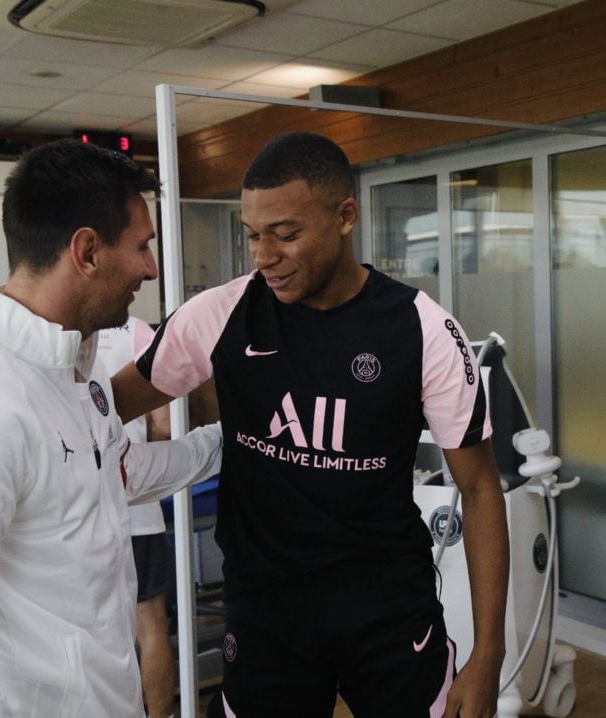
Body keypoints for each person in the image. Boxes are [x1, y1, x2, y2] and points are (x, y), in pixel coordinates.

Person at [112, 132, 510, 718]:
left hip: (388, 610)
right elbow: (104, 405)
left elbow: (479, 488)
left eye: (286, 234)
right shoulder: (219, 315)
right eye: (252, 235)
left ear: (345, 216)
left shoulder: (421, 329)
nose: (263, 256)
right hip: (266, 615)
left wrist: (489, 655)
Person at [0, 139, 222, 718]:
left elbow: (119, 472)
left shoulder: (69, 374)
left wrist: (231, 440)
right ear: (86, 252)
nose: (151, 267)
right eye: (142, 246)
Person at [96, 318, 178, 718]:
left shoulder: (62, 333)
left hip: (85, 510)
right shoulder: (139, 336)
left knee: (99, 629)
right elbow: (163, 426)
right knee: (150, 623)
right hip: (139, 510)